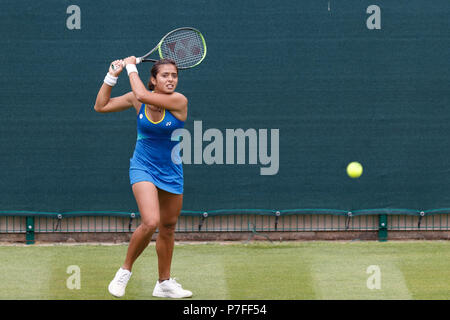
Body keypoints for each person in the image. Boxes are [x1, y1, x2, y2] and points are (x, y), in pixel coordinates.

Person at [94, 56, 192, 299]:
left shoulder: (179, 101)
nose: (171, 80)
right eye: (165, 75)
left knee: (168, 227)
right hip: (142, 166)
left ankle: (164, 283)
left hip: (171, 170)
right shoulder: (138, 99)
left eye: (174, 76)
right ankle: (124, 271)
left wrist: (130, 67)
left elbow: (142, 95)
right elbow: (101, 106)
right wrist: (112, 75)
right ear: (153, 79)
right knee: (150, 221)